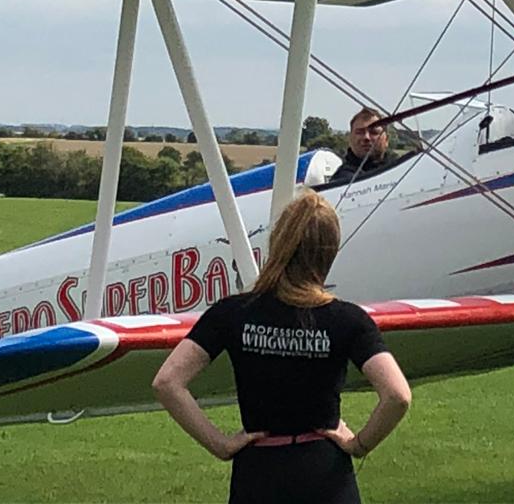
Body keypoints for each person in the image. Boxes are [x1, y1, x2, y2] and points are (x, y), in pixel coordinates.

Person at [153, 192, 412, 504]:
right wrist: (360, 444)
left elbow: (167, 382)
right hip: (324, 474)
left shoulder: (232, 313)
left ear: (277, 243)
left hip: (259, 473)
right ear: (328, 252)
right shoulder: (348, 320)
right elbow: (397, 395)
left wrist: (219, 444)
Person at [328, 107, 391, 183]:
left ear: (386, 140)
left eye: (374, 132)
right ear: (350, 138)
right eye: (359, 132)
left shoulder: (399, 171)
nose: (366, 137)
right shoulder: (341, 180)